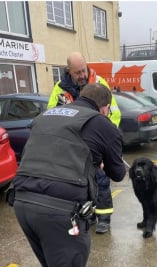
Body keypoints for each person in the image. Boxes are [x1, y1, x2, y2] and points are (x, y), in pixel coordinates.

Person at [10, 83, 126, 267]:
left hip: (22, 202)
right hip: (60, 212)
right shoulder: (102, 123)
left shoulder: (48, 115)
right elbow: (118, 173)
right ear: (104, 107)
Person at [47, 51, 121, 234]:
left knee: (101, 181)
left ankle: (104, 218)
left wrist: (105, 141)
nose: (82, 75)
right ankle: (89, 215)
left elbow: (113, 113)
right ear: (68, 71)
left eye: (84, 70)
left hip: (96, 143)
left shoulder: (99, 83)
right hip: (74, 147)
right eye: (77, 72)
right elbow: (52, 114)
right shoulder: (59, 89)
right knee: (81, 184)